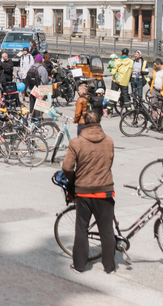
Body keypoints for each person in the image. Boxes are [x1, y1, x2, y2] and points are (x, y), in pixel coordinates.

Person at [61, 108, 116, 274]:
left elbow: (67, 167)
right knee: (107, 230)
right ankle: (109, 267)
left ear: (84, 122)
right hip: (105, 191)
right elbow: (109, 162)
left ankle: (79, 265)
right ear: (100, 122)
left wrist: (74, 180)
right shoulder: (109, 141)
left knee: (81, 229)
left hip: (84, 191)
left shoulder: (76, 143)